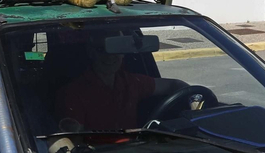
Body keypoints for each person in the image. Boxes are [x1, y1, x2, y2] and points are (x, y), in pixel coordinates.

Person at [58, 33, 186, 131]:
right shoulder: (74, 93)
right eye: (102, 50)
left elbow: (174, 85)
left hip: (137, 152)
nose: (110, 56)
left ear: (123, 54)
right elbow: (71, 138)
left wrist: (195, 100)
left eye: (116, 50)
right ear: (91, 53)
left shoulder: (130, 81)